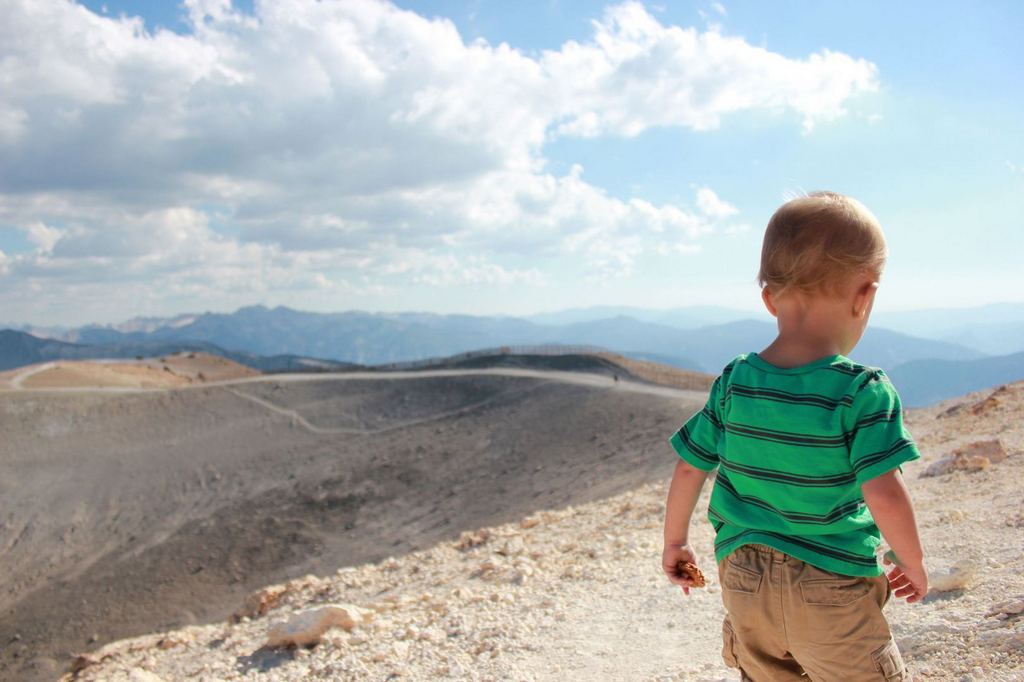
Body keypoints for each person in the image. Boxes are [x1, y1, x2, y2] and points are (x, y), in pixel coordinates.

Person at [661, 191, 927, 681]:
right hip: (831, 585)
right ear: (864, 296)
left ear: (769, 299)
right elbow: (884, 491)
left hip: (743, 581)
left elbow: (689, 465)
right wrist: (909, 559)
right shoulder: (861, 390)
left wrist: (675, 541)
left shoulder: (736, 381)